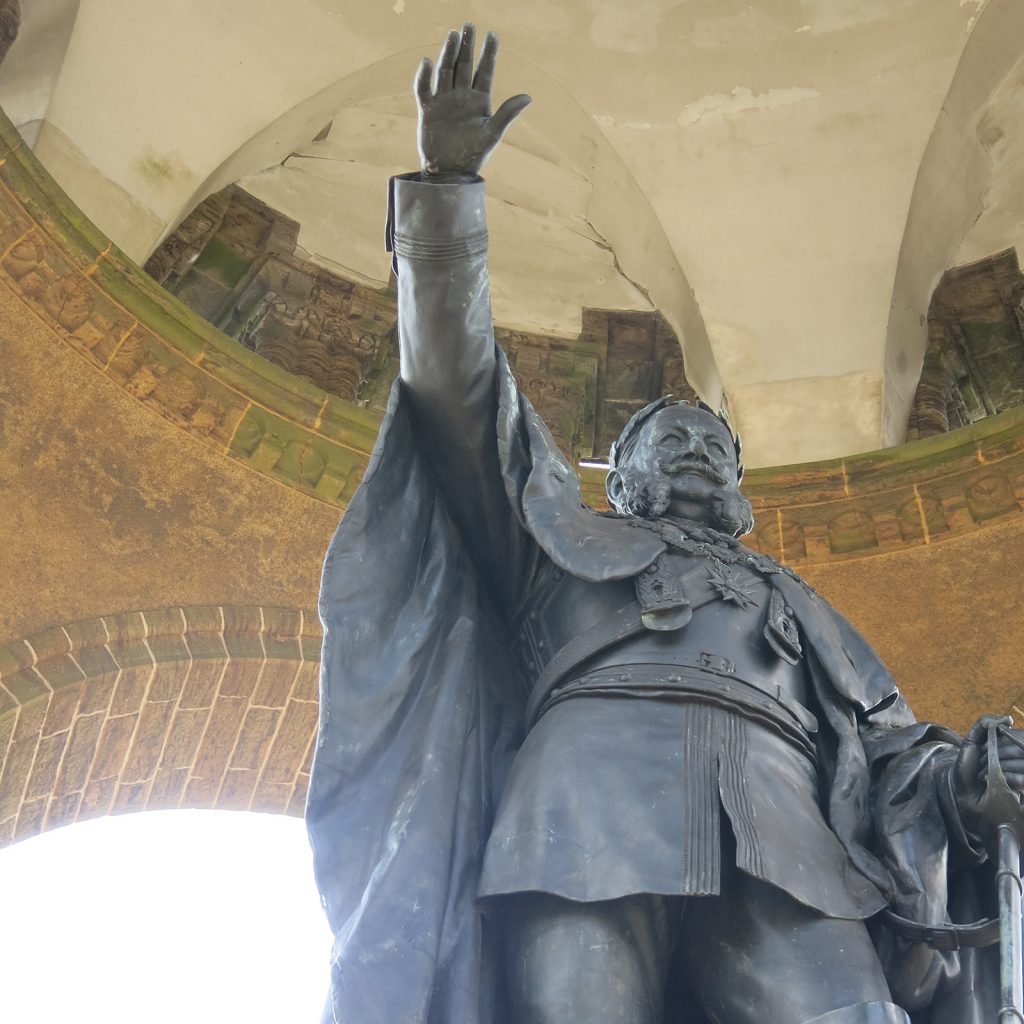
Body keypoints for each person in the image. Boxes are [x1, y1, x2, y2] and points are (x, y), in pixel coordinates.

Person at [307, 24, 1024, 1024]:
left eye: (712, 443)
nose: (694, 447)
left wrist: (968, 782)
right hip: (578, 818)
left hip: (788, 852)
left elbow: (890, 748)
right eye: (666, 437)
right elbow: (458, 392)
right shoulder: (553, 536)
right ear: (623, 479)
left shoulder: (796, 599)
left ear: (737, 486)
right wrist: (444, 200)